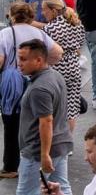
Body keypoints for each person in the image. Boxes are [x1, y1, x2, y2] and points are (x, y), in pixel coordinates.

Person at [0, 4, 63, 180]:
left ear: (12, 16)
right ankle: (42, 157)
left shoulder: (5, 33)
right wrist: (42, 64)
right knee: (38, 120)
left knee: (11, 125)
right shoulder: (39, 33)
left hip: (12, 87)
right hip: (36, 80)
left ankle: (11, 166)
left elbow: (0, 60)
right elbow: (58, 52)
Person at [16, 39, 72, 195]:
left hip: (38, 151)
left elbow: (46, 121)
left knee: (26, 192)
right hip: (61, 144)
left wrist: (44, 155)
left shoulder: (38, 89)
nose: (19, 63)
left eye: (23, 59)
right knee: (62, 188)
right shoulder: (55, 75)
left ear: (39, 60)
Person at [40, 0, 86, 131]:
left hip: (57, 68)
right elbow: (80, 44)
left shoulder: (49, 29)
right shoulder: (76, 23)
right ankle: (68, 142)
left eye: (45, 10)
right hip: (73, 65)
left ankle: (58, 143)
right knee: (71, 108)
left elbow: (46, 51)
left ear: (53, 10)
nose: (43, 13)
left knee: (56, 108)